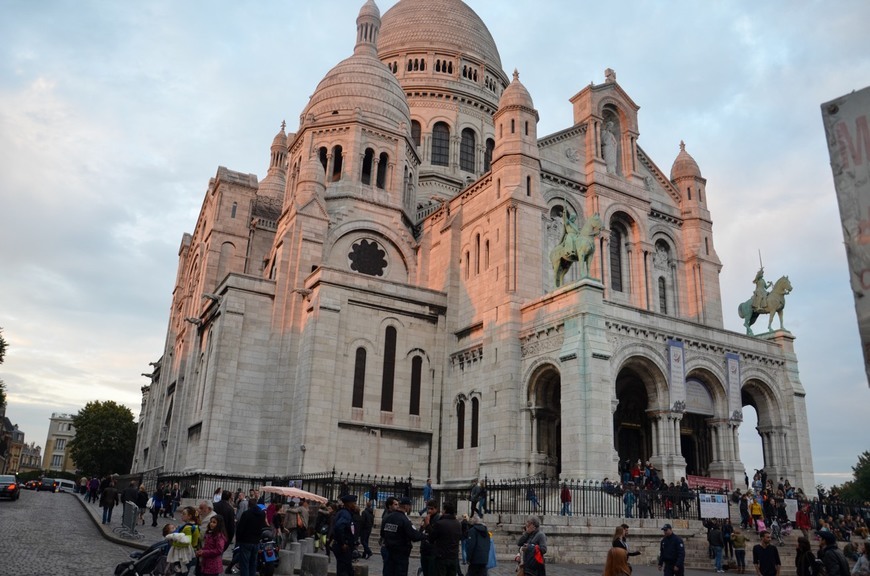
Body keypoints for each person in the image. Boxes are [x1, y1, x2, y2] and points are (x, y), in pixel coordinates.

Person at [381, 496, 424, 576]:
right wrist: (424, 535)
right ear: (406, 506)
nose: (410, 508)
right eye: (410, 506)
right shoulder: (404, 520)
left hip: (389, 551)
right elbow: (414, 536)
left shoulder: (388, 517)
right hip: (401, 554)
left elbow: (382, 534)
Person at [430, 500, 462, 576]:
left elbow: (431, 538)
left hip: (442, 557)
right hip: (453, 556)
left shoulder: (440, 523)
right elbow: (459, 537)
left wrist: (428, 526)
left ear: (445, 510)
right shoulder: (458, 524)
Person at [235, 497, 266, 576]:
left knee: (245, 564)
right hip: (256, 541)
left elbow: (240, 528)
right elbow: (262, 526)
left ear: (249, 505)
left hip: (246, 541)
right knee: (253, 563)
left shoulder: (246, 514)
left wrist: (238, 539)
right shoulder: (262, 514)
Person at [167, 506, 200, 576]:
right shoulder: (194, 525)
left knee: (181, 573)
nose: (181, 515)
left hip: (185, 555)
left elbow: (186, 542)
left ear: (190, 516)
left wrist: (174, 543)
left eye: (184, 514)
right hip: (189, 554)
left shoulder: (188, 527)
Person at [332, 494, 359, 576]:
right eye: (354, 503)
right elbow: (338, 527)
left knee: (346, 569)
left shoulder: (344, 512)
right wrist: (343, 543)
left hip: (344, 545)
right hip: (343, 547)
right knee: (344, 570)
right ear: (349, 504)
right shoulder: (345, 514)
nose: (355, 505)